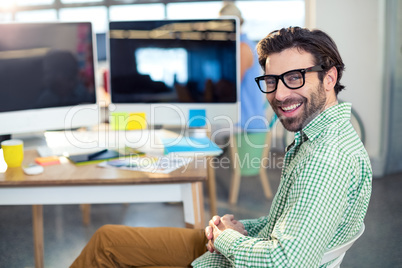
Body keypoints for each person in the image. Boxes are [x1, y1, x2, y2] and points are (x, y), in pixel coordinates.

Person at [70, 26, 372, 267]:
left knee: (107, 247)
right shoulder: (324, 135)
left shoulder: (326, 158)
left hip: (235, 261)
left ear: (329, 78)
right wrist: (231, 230)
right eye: (271, 81)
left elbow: (286, 261)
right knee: (108, 238)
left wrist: (226, 239)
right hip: (244, 250)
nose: (279, 94)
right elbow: (285, 227)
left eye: (294, 78)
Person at [219, 2, 266, 130]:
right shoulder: (237, 46)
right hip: (244, 122)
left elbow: (232, 85)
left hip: (249, 125)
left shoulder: (243, 47)